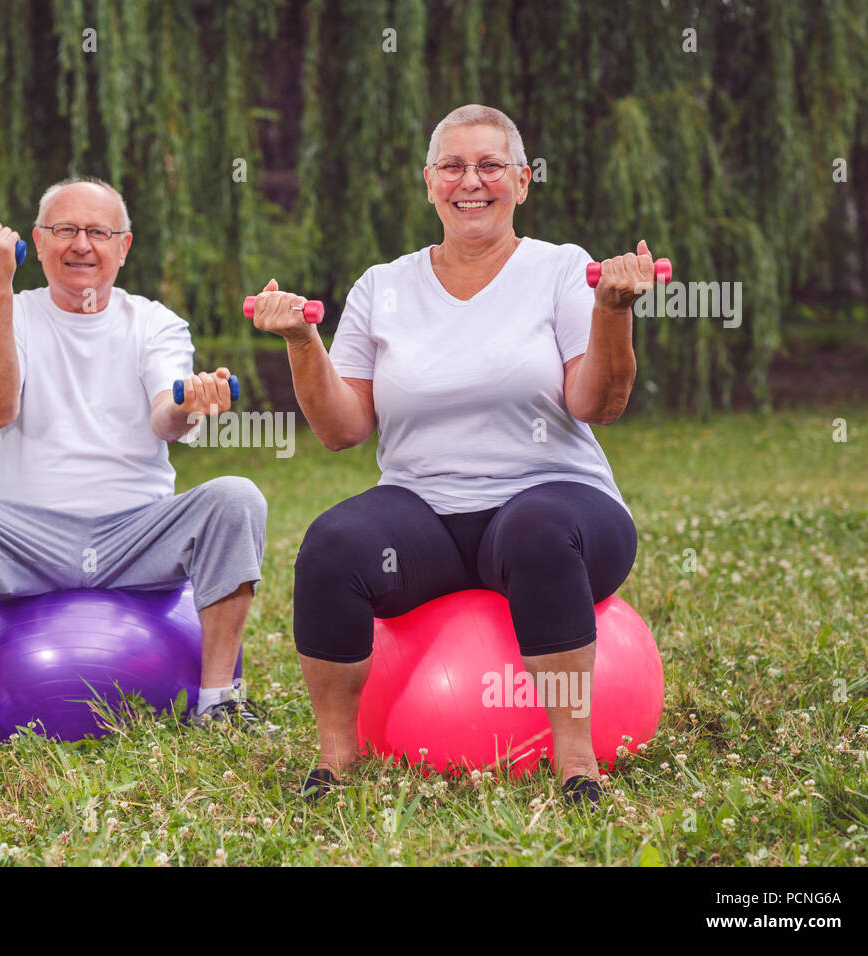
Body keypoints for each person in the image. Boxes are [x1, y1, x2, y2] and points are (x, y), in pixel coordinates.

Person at [251, 104, 655, 805]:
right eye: (453, 166)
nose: (473, 181)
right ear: (429, 182)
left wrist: (613, 310)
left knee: (535, 532)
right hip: (426, 516)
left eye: (491, 165)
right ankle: (336, 754)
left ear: (523, 181)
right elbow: (342, 428)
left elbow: (599, 405)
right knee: (330, 545)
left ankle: (575, 761)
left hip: (559, 501)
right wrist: (300, 344)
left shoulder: (563, 270)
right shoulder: (383, 286)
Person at [0, 177, 270, 749]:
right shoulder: (7, 313)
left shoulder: (155, 322)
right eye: (65, 230)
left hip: (136, 536)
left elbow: (164, 416)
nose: (81, 244)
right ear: (37, 242)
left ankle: (218, 702)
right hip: (26, 537)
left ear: (124, 247)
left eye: (98, 232)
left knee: (235, 497)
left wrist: (187, 401)